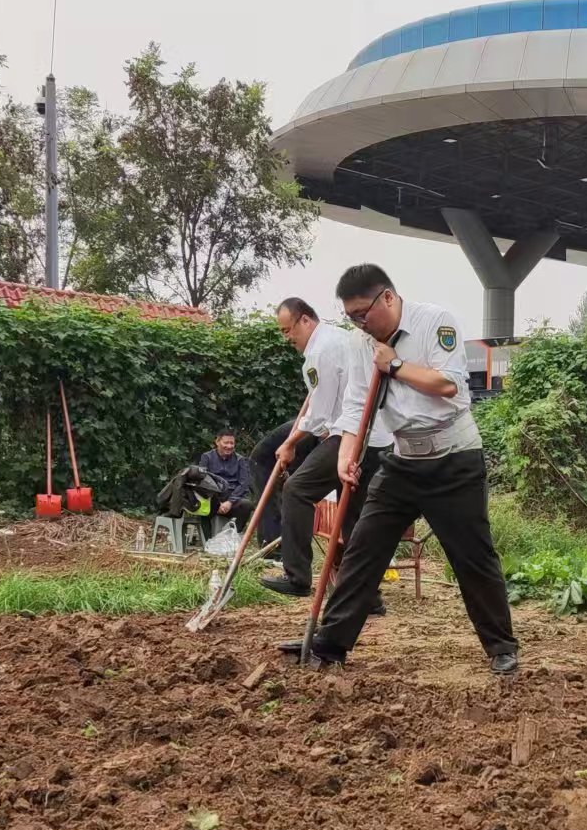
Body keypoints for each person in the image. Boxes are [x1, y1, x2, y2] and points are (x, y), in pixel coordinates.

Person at [290, 263, 519, 675]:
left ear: (388, 298)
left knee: (472, 555)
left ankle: (501, 646)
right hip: (403, 462)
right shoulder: (364, 343)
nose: (360, 324)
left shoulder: (435, 322)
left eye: (364, 313)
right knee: (363, 547)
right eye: (351, 317)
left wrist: (394, 365)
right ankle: (330, 644)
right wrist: (345, 457)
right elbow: (357, 406)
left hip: (454, 459)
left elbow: (448, 384)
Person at [262, 297, 391, 614]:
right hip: (376, 438)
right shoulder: (338, 340)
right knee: (354, 516)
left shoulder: (320, 350)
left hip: (351, 435)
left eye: (288, 330)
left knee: (297, 489)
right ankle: (366, 596)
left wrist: (290, 442)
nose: (287, 338)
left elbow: (319, 416)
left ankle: (297, 577)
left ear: (305, 320)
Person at [192, 431, 251, 539]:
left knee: (246, 505)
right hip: (212, 496)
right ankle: (208, 542)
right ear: (217, 442)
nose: (229, 446)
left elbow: (244, 484)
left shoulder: (240, 460)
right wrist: (217, 502)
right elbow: (201, 480)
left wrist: (230, 502)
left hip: (232, 497)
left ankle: (232, 538)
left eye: (232, 443)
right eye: (226, 443)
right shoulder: (207, 457)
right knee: (203, 507)